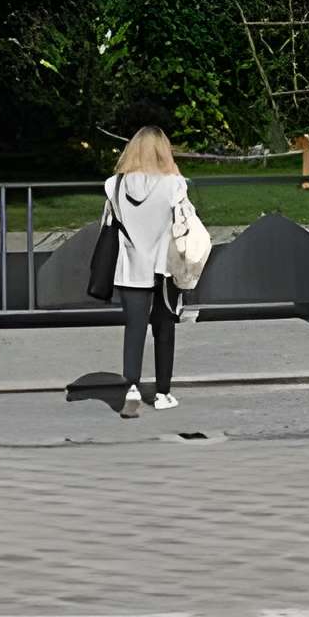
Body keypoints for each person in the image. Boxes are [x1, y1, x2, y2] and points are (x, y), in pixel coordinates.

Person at [104, 125, 187, 418]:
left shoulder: (114, 184)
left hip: (129, 269)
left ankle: (131, 387)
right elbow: (185, 221)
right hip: (163, 268)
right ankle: (163, 393)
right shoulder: (174, 184)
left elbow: (108, 224)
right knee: (164, 329)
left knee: (134, 328)